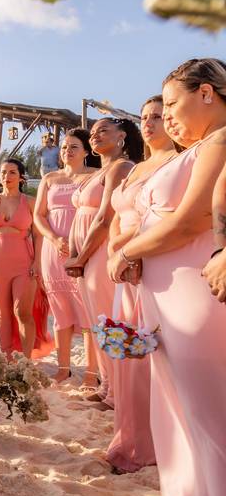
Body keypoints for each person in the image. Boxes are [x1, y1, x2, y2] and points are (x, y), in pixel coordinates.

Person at [108, 59, 226, 496]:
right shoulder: (200, 146)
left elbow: (193, 221)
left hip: (193, 295)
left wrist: (127, 251)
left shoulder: (219, 142)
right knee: (185, 407)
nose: (168, 115)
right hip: (167, 295)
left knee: (209, 412)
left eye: (173, 104)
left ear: (206, 93)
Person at [102, 96, 177, 474]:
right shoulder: (136, 167)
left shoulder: (175, 162)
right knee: (127, 355)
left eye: (159, 117)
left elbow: (158, 218)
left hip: (149, 265)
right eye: (145, 117)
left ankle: (148, 446)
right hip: (123, 267)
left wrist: (129, 251)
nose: (149, 123)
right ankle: (129, 437)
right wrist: (116, 247)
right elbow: (118, 213)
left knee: (152, 359)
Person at [64, 117, 143, 406]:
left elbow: (104, 218)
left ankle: (117, 393)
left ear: (122, 136)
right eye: (93, 132)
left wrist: (81, 257)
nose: (95, 135)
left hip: (100, 251)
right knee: (96, 322)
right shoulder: (100, 171)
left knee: (108, 321)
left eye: (103, 131)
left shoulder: (122, 167)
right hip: (86, 255)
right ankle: (108, 385)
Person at [33, 129, 98, 383]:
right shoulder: (49, 179)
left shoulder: (96, 176)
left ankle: (92, 373)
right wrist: (54, 238)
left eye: (73, 147)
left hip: (83, 248)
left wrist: (79, 243)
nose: (67, 152)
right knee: (60, 311)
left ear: (85, 151)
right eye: (63, 147)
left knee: (87, 312)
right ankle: (63, 369)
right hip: (53, 248)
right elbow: (39, 215)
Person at [0, 158, 52, 358]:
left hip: (24, 263)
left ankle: (25, 359)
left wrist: (37, 262)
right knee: (2, 313)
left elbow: (38, 234)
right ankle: (7, 357)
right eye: (3, 172)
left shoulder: (30, 202)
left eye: (12, 172)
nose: (6, 177)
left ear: (21, 177)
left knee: (22, 312)